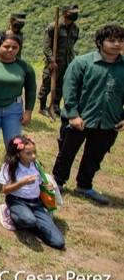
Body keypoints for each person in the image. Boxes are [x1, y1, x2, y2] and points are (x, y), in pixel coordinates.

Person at [52, 23, 124, 205]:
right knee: (67, 152)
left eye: (121, 41)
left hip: (109, 121)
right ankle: (57, 182)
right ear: (100, 42)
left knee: (95, 155)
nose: (117, 44)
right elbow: (69, 89)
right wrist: (73, 115)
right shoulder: (82, 63)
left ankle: (84, 185)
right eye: (112, 40)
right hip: (81, 118)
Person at [0, 135, 65, 249]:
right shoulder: (10, 166)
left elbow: (40, 183)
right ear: (18, 154)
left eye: (34, 152)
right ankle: (9, 213)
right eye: (28, 153)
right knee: (28, 220)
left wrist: (47, 187)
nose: (33, 156)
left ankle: (36, 225)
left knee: (58, 242)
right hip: (17, 201)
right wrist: (21, 183)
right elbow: (5, 190)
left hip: (35, 203)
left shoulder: (36, 165)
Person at [0, 32, 36, 178]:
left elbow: (31, 89)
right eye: (6, 46)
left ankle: (11, 169)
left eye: (14, 47)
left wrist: (28, 111)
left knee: (13, 142)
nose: (10, 50)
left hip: (13, 109)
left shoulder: (24, 67)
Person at [37, 5, 80, 116]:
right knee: (47, 83)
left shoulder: (75, 28)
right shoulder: (54, 27)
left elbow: (72, 45)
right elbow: (46, 46)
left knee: (61, 84)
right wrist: (51, 60)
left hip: (67, 62)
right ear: (64, 13)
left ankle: (55, 106)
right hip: (53, 62)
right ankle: (42, 107)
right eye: (71, 13)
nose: (74, 15)